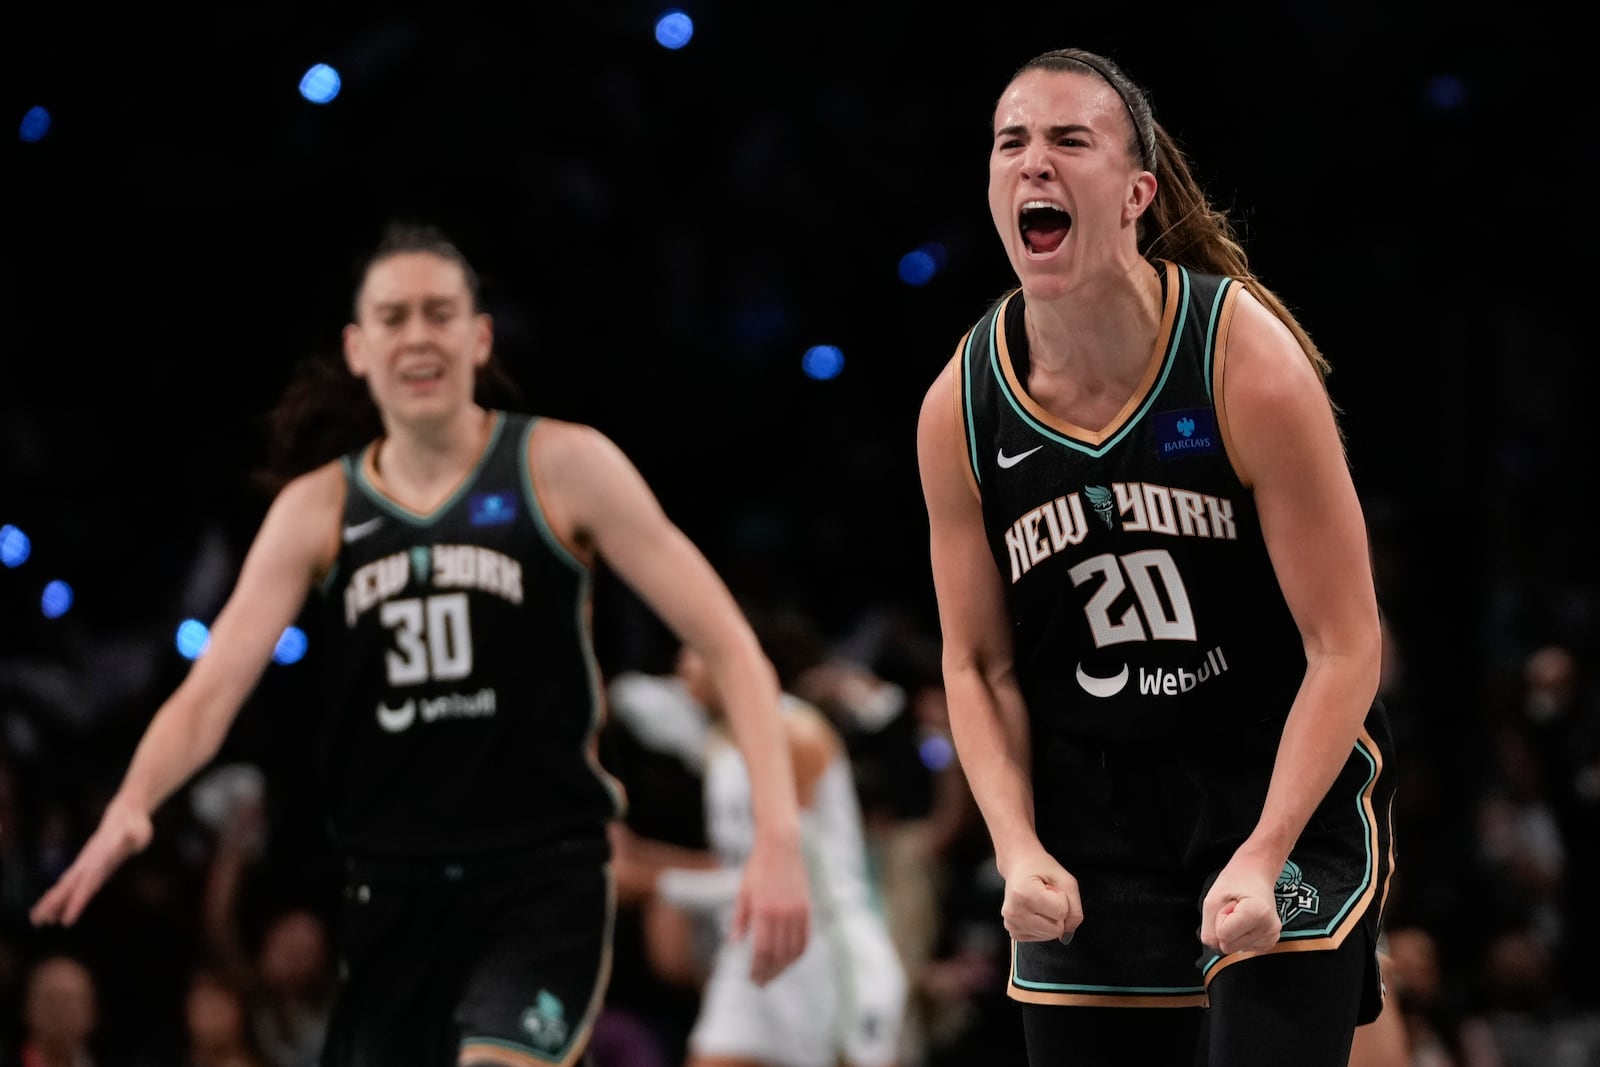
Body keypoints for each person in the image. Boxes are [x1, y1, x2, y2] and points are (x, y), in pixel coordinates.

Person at [29, 222, 811, 1067]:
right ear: (359, 350)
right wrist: (133, 803)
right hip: (393, 896)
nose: (418, 335)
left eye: (440, 313)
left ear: (479, 338)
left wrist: (776, 837)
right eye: (394, 317)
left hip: (540, 882)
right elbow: (209, 692)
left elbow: (732, 646)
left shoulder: (563, 465)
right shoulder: (318, 507)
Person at [914, 47, 1398, 1067]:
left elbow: (1345, 640)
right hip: (1091, 808)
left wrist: (1264, 850)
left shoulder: (1242, 360)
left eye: (1067, 140)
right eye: (1011, 143)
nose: (1032, 163)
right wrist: (1016, 845)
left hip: (1269, 776)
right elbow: (975, 663)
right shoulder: (959, 405)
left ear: (1135, 194)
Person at [610, 633, 908, 1067]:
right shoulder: (720, 742)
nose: (682, 668)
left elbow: (784, 875)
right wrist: (635, 854)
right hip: (750, 950)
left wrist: (655, 883)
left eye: (693, 653)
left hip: (821, 947)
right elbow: (733, 863)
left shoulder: (796, 734)